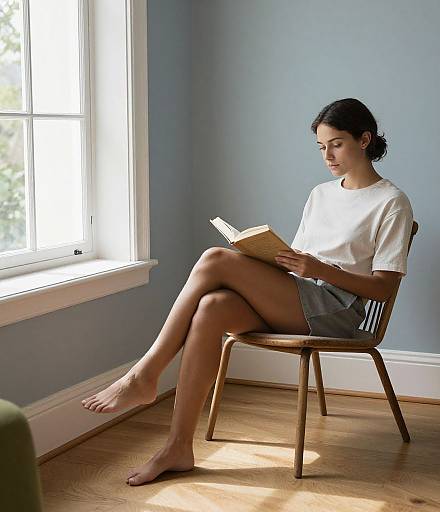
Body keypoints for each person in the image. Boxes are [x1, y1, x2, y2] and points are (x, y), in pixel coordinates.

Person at [81, 97, 414, 486]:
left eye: (336, 144)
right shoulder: (321, 194)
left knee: (214, 259)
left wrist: (320, 269)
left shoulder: (392, 202)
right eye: (321, 147)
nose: (328, 155)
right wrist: (268, 257)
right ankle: (178, 447)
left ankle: (145, 372)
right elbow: (300, 259)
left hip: (337, 312)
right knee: (213, 307)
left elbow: (383, 288)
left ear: (364, 139)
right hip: (300, 295)